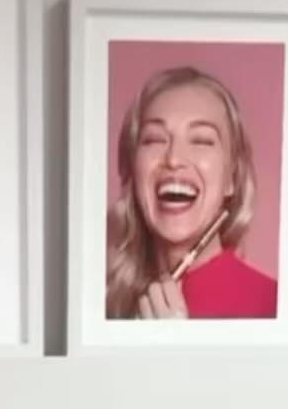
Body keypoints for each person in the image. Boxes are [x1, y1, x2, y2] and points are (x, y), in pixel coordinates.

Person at [106, 65, 278, 320]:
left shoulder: (274, 307)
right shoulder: (101, 301)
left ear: (232, 178)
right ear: (133, 168)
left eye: (201, 141)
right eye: (155, 139)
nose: (174, 159)